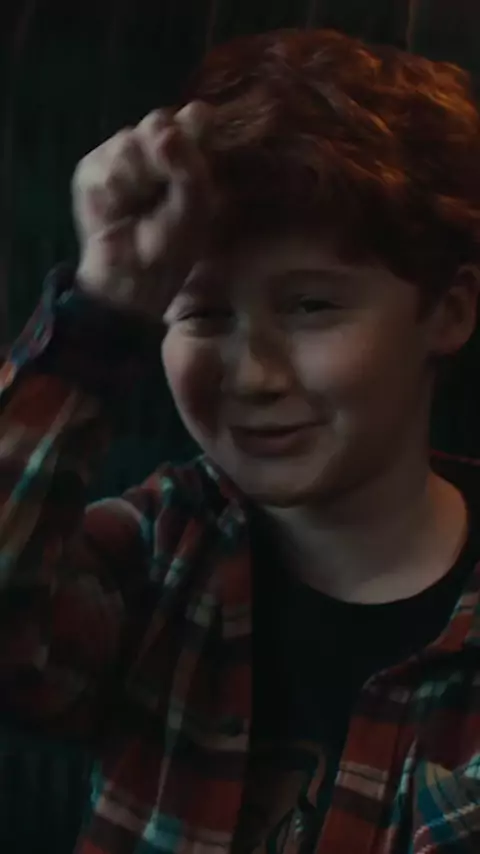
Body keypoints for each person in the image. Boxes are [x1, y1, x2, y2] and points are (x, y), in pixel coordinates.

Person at [1, 27, 480, 854]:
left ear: (449, 311)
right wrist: (104, 303)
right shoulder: (160, 553)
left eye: (312, 307)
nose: (252, 376)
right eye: (203, 313)